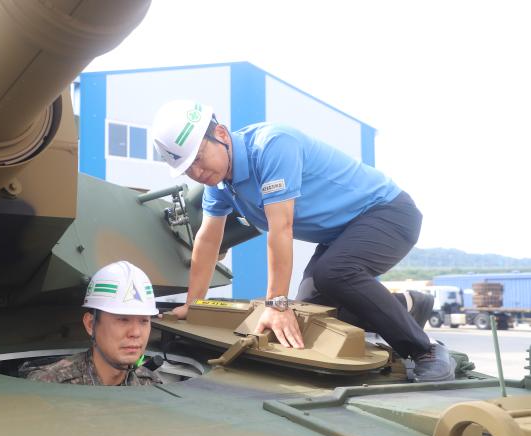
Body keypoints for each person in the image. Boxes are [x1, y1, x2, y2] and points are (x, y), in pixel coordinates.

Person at [151, 100, 454, 382]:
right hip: (341, 234)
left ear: (220, 134)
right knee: (311, 310)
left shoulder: (272, 146)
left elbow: (280, 228)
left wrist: (276, 304)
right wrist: (194, 304)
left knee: (331, 275)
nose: (197, 172)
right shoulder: (221, 183)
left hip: (388, 213)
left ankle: (425, 349)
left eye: (199, 159)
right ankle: (405, 307)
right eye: (188, 169)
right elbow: (207, 240)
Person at [20, 261, 162, 386]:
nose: (136, 333)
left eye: (144, 321)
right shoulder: (50, 385)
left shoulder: (150, 385)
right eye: (122, 320)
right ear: (90, 324)